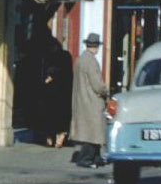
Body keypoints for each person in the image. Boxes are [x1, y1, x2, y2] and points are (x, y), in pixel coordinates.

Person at [69, 32, 110, 167]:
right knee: (93, 132)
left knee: (93, 131)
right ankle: (85, 159)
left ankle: (96, 158)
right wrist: (106, 91)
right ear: (96, 46)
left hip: (81, 99)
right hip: (92, 101)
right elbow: (97, 84)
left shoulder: (80, 59)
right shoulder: (91, 62)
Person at [37, 32, 73, 148]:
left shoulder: (48, 57)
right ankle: (59, 139)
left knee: (49, 116)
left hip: (52, 92)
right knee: (60, 117)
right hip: (63, 93)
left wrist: (49, 77)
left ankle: (50, 139)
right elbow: (68, 73)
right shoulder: (66, 56)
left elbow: (47, 73)